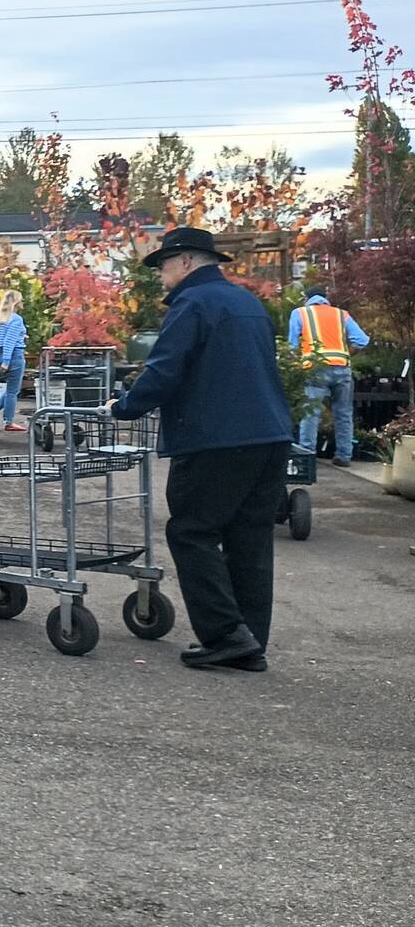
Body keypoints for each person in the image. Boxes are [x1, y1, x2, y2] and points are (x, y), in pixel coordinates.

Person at [110, 227, 293, 672]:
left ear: (187, 262)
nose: (161, 276)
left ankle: (226, 634)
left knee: (191, 531)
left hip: (215, 438)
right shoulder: (248, 304)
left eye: (164, 266)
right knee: (249, 539)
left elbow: (166, 369)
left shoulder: (192, 304)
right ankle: (249, 641)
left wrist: (125, 407)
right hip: (269, 435)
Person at [289, 291, 370, 467]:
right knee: (344, 413)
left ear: (306, 299)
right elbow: (362, 341)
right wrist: (346, 355)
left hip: (315, 369)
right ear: (325, 300)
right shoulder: (342, 314)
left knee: (310, 413)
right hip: (342, 368)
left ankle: (307, 457)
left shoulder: (300, 313)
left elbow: (292, 346)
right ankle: (344, 455)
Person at [0, 289, 28, 432]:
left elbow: (0, 340)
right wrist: (7, 361)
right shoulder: (16, 319)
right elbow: (9, 341)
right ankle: (9, 421)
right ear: (17, 302)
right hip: (14, 356)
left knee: (11, 388)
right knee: (13, 391)